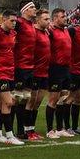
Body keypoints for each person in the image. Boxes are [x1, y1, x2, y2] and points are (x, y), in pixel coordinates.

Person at [0, 10, 24, 145]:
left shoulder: (13, 33)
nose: (14, 23)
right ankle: (10, 136)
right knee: (9, 102)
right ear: (3, 19)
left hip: (10, 71)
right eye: (12, 20)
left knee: (1, 103)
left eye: (15, 21)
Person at [47, 8, 74, 138]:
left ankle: (59, 128)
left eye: (65, 16)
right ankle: (49, 130)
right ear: (55, 18)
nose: (65, 18)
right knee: (53, 99)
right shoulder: (50, 31)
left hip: (66, 68)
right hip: (55, 68)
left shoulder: (66, 30)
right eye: (62, 17)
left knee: (63, 98)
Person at [13, 0, 37, 139]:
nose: (35, 9)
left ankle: (21, 130)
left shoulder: (31, 24)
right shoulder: (19, 23)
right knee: (16, 98)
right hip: (20, 66)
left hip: (30, 66)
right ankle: (11, 131)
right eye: (32, 7)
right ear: (25, 10)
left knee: (25, 98)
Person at [26, 9, 50, 140]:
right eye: (46, 19)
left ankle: (31, 129)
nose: (48, 21)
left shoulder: (46, 32)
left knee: (37, 102)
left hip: (44, 72)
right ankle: (26, 130)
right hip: (34, 71)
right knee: (31, 101)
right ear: (38, 20)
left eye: (49, 19)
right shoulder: (33, 32)